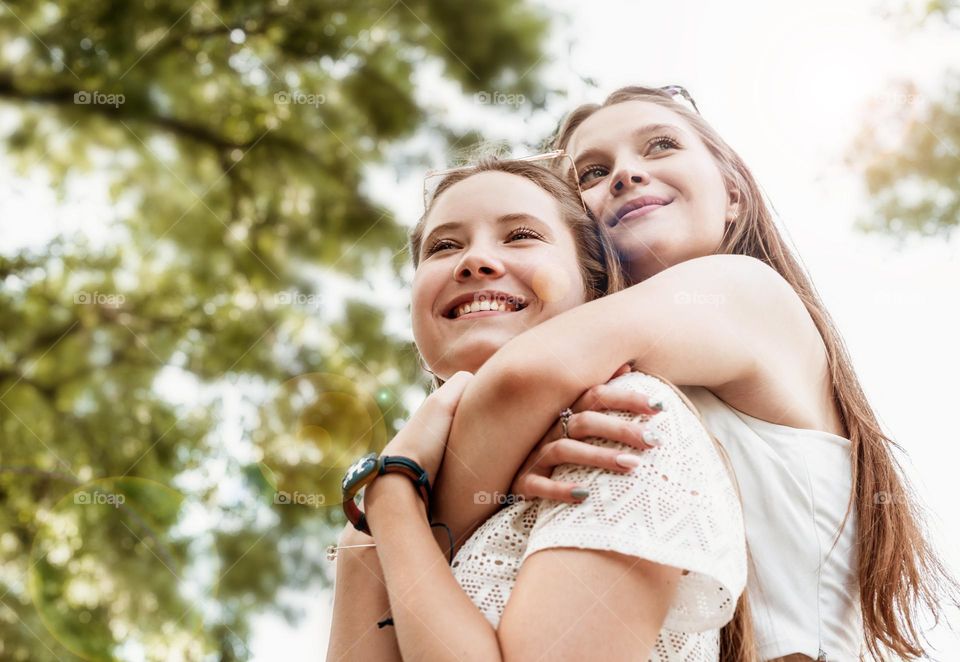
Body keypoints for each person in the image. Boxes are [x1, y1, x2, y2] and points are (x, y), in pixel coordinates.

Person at [426, 87, 958, 661]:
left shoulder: (744, 291)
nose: (627, 175)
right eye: (593, 172)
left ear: (732, 193)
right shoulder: (612, 380)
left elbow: (521, 378)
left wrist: (403, 509)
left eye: (660, 146)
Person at [326, 157, 754, 661]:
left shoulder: (624, 422)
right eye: (443, 247)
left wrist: (391, 491)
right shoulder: (402, 510)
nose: (474, 262)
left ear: (594, 290)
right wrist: (372, 534)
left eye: (521, 236)